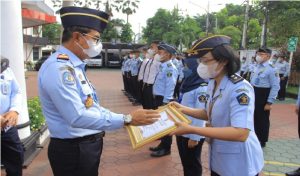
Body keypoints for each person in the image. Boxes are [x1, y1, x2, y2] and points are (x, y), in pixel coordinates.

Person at [38, 7, 160, 176]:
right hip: (74, 150)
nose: (98, 45)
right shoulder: (59, 69)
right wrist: (127, 119)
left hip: (83, 148)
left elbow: (90, 105)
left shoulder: (75, 66)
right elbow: (77, 116)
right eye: (95, 39)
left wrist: (123, 119)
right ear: (77, 37)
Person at [169, 35, 264, 176]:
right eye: (200, 61)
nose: (201, 65)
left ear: (223, 61)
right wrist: (182, 109)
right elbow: (209, 112)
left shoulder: (239, 89)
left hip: (239, 162)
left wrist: (192, 129)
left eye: (205, 61)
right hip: (220, 155)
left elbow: (241, 133)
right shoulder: (213, 82)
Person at [177, 54, 207, 176]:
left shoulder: (201, 88)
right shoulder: (187, 83)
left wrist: (194, 137)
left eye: (187, 67)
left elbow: (202, 114)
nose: (184, 69)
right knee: (185, 161)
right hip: (182, 128)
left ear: (195, 68)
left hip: (192, 132)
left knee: (193, 163)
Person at [150, 43, 178, 157]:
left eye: (161, 52)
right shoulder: (163, 66)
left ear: (168, 55)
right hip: (158, 97)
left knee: (166, 124)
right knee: (160, 123)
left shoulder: (170, 68)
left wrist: (166, 101)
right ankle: (162, 144)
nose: (159, 54)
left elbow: (170, 85)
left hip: (164, 99)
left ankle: (166, 148)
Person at [250, 48, 280, 147]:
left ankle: (262, 140)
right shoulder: (257, 66)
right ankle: (253, 137)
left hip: (263, 95)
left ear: (268, 56)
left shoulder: (272, 69)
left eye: (261, 54)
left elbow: (275, 86)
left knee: (262, 119)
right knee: (253, 116)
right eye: (258, 53)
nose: (258, 56)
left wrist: (269, 102)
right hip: (254, 92)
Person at [0, 56, 24, 176]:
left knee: (15, 159)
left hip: (7, 127)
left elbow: (16, 91)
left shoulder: (5, 67)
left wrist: (14, 110)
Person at [142, 40, 161, 109]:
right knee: (146, 104)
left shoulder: (158, 58)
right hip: (147, 84)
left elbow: (159, 74)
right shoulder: (151, 58)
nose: (150, 49)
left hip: (153, 85)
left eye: (152, 47)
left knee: (152, 106)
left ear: (157, 47)